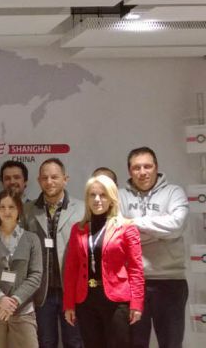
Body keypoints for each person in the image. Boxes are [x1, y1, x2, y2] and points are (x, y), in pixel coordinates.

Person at [118, 147, 189, 348]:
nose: (142, 172)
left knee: (171, 343)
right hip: (133, 283)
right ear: (129, 171)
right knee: (135, 344)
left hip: (170, 282)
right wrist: (160, 232)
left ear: (156, 167)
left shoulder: (174, 192)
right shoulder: (120, 196)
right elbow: (117, 233)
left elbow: (177, 225)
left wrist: (133, 224)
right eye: (136, 167)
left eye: (147, 166)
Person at [63, 176, 144, 348]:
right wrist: (69, 304)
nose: (97, 199)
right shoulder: (78, 228)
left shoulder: (126, 227)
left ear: (112, 198)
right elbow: (71, 269)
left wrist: (137, 304)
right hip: (85, 300)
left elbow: (136, 269)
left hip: (116, 300)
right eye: (92, 195)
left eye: (103, 195)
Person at [22, 158, 84, 348]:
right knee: (45, 342)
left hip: (72, 291)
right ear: (39, 180)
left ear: (65, 179)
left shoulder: (82, 209)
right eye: (45, 178)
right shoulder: (27, 210)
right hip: (42, 292)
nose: (49, 182)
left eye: (55, 177)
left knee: (74, 342)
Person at [0, 191, 43, 348]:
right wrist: (0, 299)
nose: (6, 211)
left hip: (22, 311)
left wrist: (13, 302)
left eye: (11, 207)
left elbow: (36, 275)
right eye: (2, 207)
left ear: (19, 209)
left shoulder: (32, 239)